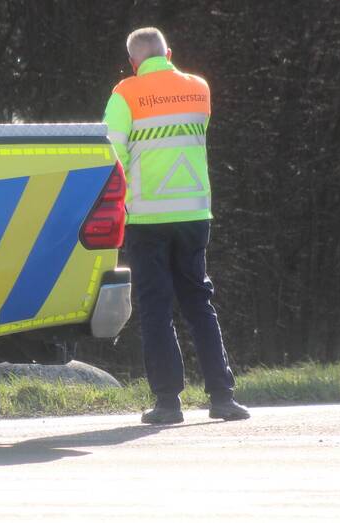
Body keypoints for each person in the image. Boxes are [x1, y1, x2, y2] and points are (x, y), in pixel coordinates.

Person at [103, 27, 249, 424]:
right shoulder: (198, 88)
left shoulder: (125, 94)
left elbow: (110, 155)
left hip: (147, 217)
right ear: (169, 52)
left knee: (155, 309)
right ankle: (222, 397)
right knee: (199, 304)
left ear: (134, 62)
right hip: (194, 214)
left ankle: (168, 403)